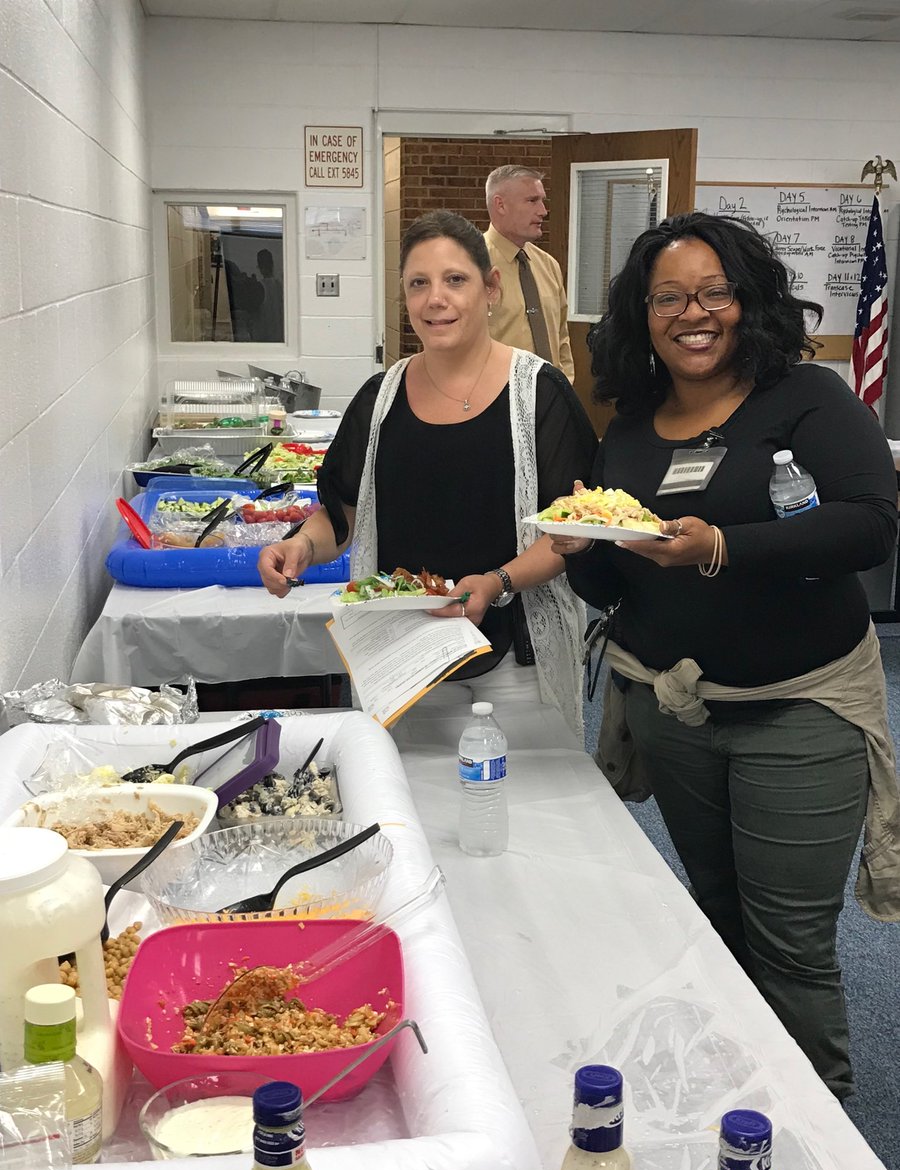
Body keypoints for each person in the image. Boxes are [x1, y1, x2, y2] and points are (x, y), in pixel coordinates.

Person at [551, 210, 900, 1101]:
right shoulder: (630, 425)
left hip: (802, 710)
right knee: (712, 914)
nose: (693, 312)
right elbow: (619, 591)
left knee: (789, 947)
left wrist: (721, 547)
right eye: (669, 296)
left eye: (714, 292)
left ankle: (810, 1133)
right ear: (643, 313)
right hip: (677, 713)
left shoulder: (809, 397)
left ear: (745, 301)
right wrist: (587, 546)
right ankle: (732, 1098)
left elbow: (871, 523)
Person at [258, 209, 595, 737]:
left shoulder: (539, 394)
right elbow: (342, 511)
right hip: (401, 660)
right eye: (419, 283)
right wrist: (301, 546)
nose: (435, 299)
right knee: (404, 809)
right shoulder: (379, 399)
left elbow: (568, 531)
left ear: (491, 289)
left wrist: (496, 582)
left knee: (523, 806)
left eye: (455, 280)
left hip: (513, 663)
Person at [485, 165, 575, 383]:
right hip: (494, 402)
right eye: (532, 201)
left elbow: (561, 338)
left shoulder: (548, 265)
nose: (543, 210)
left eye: (542, 200)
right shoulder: (470, 265)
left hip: (550, 402)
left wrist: (565, 387)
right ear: (500, 205)